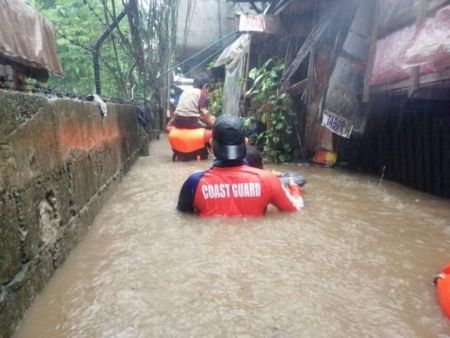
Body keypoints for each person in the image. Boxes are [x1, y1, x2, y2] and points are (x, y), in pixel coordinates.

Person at [177, 115, 304, 216]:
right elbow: (296, 209)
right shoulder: (268, 180)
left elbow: (184, 218)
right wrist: (295, 189)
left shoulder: (194, 183)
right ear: (246, 142)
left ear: (211, 146)